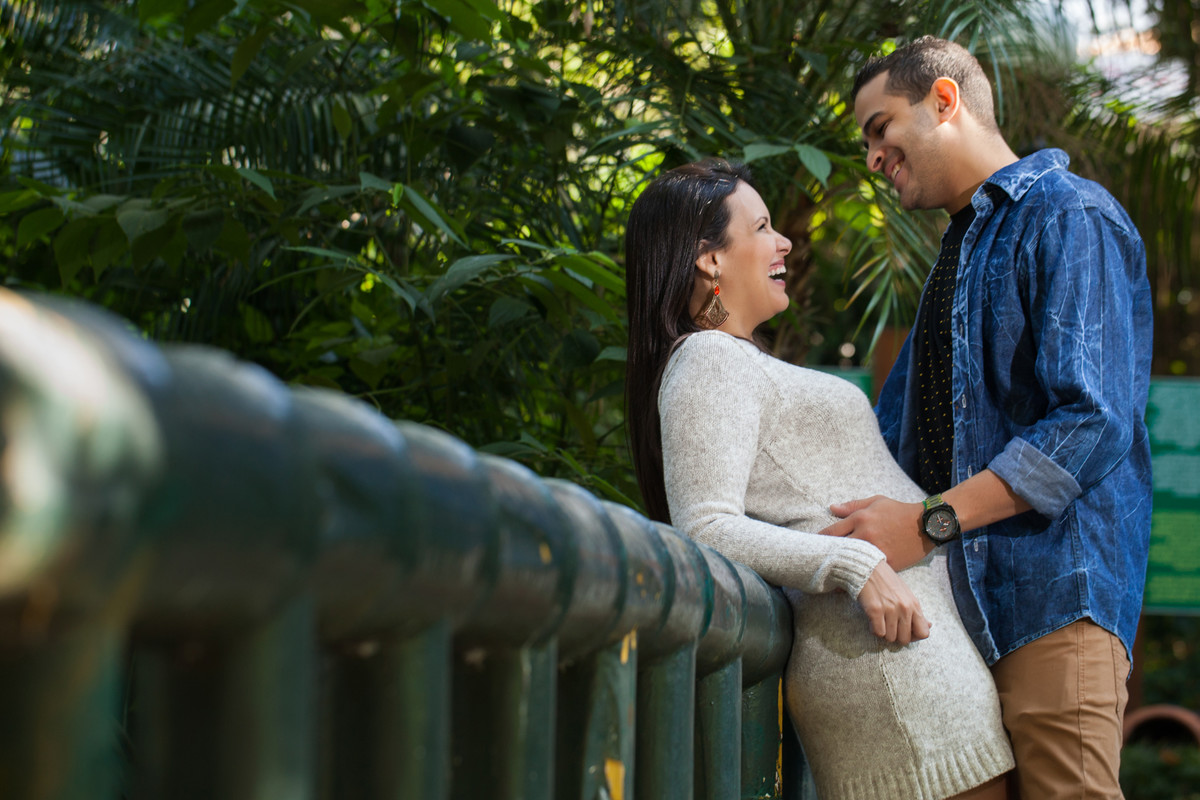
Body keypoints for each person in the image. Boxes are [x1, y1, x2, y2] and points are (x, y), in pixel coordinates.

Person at [825, 36, 1154, 798]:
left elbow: (1090, 421)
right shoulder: (959, 256)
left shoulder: (1070, 215)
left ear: (944, 100)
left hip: (1052, 605)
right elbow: (894, 441)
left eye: (880, 128)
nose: (872, 158)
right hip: (952, 616)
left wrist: (927, 524)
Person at [624, 158, 1014, 800]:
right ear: (709, 259)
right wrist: (854, 564)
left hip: (911, 666)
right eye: (761, 228)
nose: (784, 243)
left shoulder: (733, 360)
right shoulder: (708, 359)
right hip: (895, 674)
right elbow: (705, 526)